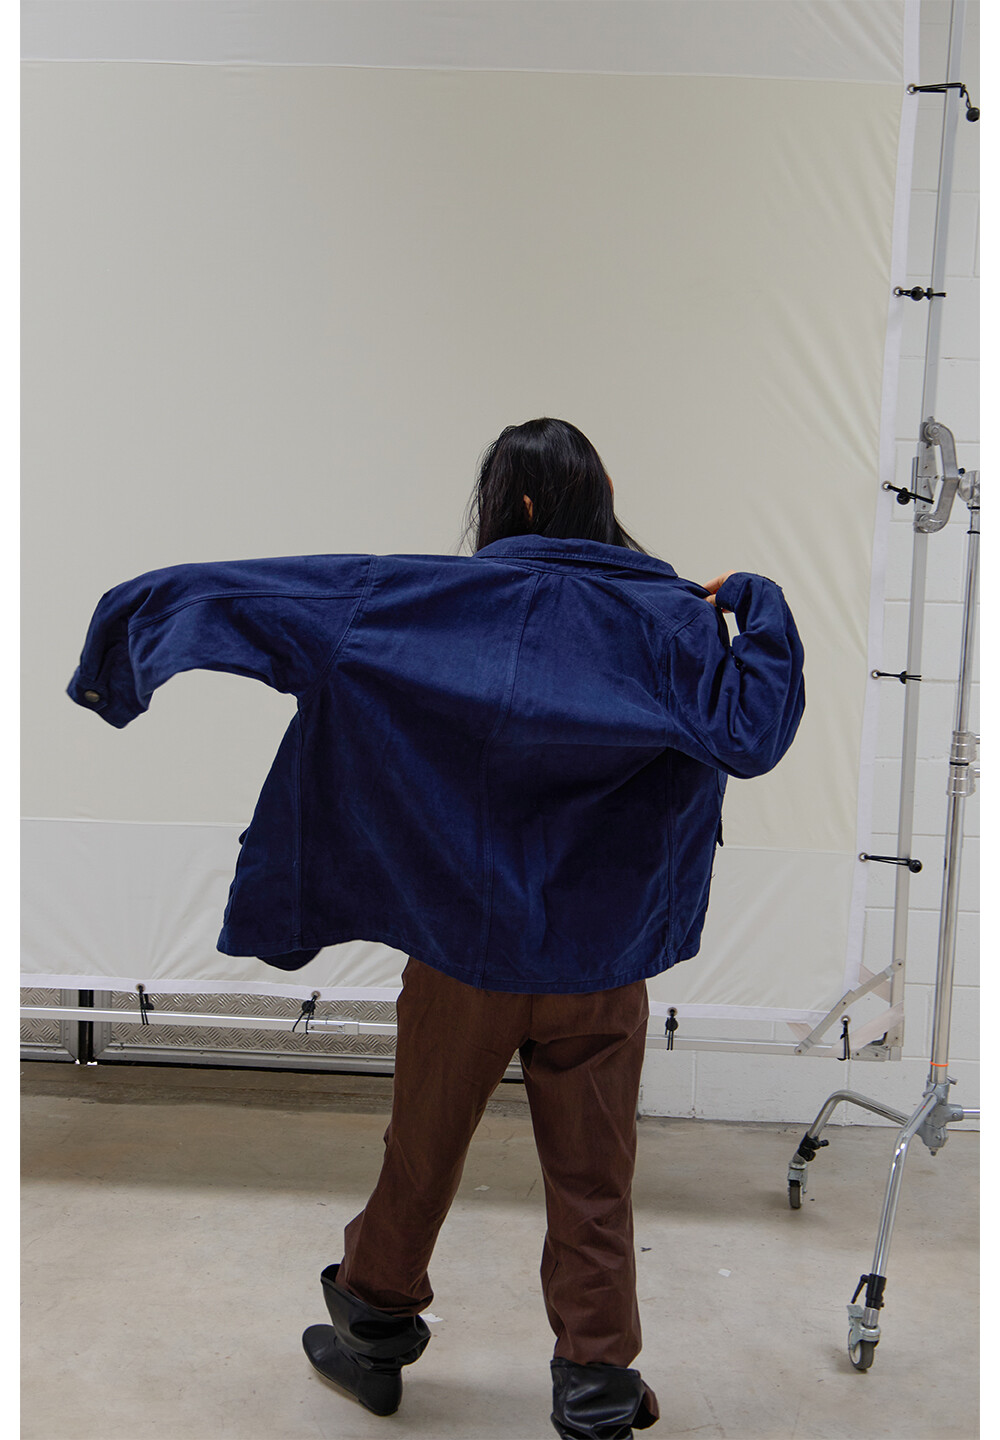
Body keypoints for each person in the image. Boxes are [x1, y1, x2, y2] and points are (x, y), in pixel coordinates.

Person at [68, 418, 805, 1439]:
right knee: (595, 1176)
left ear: (518, 504)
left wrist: (125, 649)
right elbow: (752, 735)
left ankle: (371, 1336)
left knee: (420, 1152)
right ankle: (596, 1387)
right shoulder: (675, 622)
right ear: (595, 502)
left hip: (466, 954)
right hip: (601, 965)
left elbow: (260, 597)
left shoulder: (423, 601)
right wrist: (758, 603)